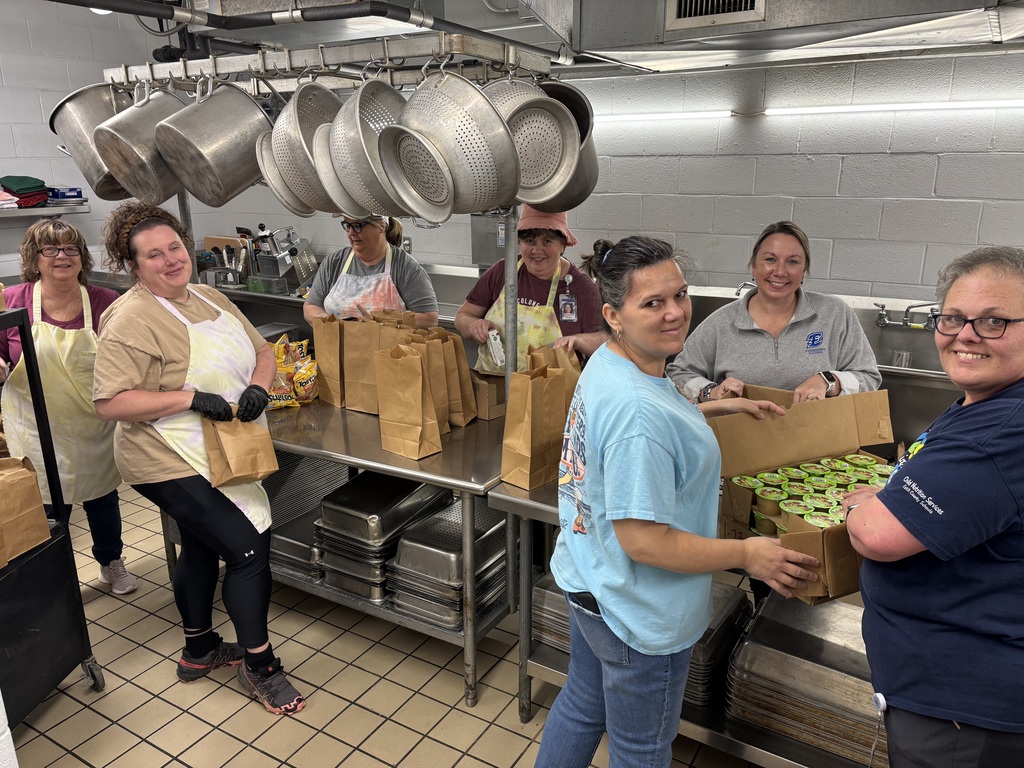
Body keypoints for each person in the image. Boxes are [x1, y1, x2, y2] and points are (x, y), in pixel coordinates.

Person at [534, 235, 819, 768]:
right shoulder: (637, 414)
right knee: (640, 748)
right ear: (614, 316)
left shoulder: (612, 362)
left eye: (680, 295)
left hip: (588, 576)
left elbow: (646, 422)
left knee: (582, 704)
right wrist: (748, 554)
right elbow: (645, 542)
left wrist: (713, 411)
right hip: (635, 611)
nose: (675, 313)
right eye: (653, 303)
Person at [92, 201, 304, 716]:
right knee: (248, 549)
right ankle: (261, 666)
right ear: (133, 265)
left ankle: (200, 650)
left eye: (174, 247)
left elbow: (263, 351)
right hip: (163, 455)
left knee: (201, 546)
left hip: (220, 448)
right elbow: (110, 403)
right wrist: (189, 398)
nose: (170, 260)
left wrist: (258, 388)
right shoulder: (131, 317)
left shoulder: (210, 296)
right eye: (153, 255)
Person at [845, 246, 1024, 767]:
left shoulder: (1000, 432)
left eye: (994, 321)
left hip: (963, 714)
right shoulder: (985, 402)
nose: (966, 335)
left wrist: (862, 509)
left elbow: (878, 535)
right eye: (952, 318)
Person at [0, 219, 137, 595]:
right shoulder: (13, 300)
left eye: (71, 248)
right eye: (50, 248)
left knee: (102, 498)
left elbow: (126, 359)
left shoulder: (105, 301)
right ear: (34, 258)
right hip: (36, 426)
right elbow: (1, 354)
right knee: (46, 507)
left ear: (82, 256)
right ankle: (52, 578)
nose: (62, 256)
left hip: (91, 424)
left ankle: (111, 562)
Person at [667, 220, 880, 405]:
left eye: (792, 262)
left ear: (804, 270)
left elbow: (869, 377)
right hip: (741, 436)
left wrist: (828, 380)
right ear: (754, 266)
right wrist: (710, 391)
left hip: (817, 436)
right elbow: (678, 374)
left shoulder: (834, 314)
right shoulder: (720, 323)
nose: (780, 271)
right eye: (770, 259)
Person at [454, 205, 606, 372]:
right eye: (529, 241)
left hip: (550, 387)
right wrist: (474, 325)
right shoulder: (503, 271)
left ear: (563, 245)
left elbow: (606, 341)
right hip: (492, 383)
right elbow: (462, 316)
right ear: (519, 242)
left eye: (547, 241)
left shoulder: (583, 289)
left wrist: (579, 341)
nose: (537, 250)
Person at [303, 213, 438, 328]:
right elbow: (310, 306)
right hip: (336, 349)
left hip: (388, 350)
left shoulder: (405, 267)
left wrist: (382, 322)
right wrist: (328, 321)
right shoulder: (334, 262)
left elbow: (429, 319)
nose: (351, 233)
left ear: (381, 226)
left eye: (358, 226)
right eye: (348, 225)